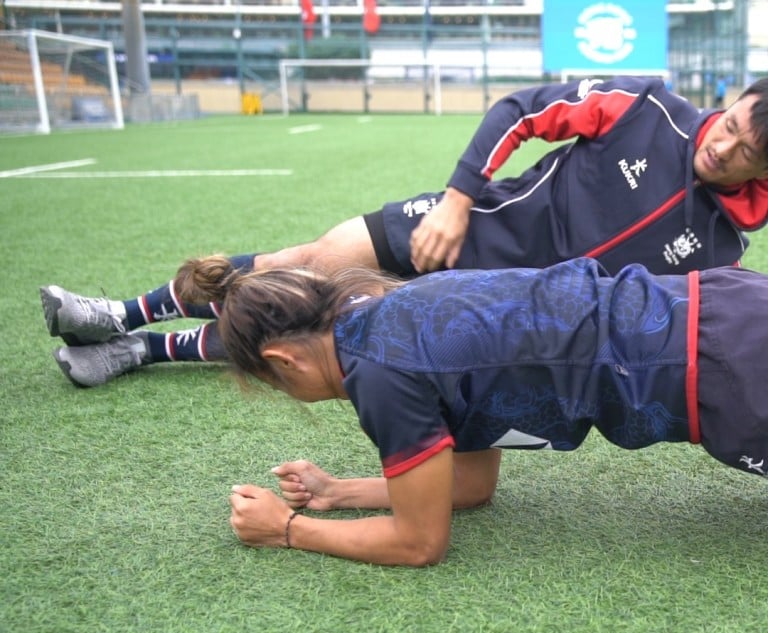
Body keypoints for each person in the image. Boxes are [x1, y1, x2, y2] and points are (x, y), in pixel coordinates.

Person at [42, 75, 768, 387]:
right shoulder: (649, 106)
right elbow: (521, 110)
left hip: (502, 311)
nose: (724, 145)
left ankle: (143, 350)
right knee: (316, 261)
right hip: (466, 226)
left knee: (319, 331)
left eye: (746, 151)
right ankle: (122, 312)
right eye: (732, 122)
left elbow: (645, 320)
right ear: (734, 101)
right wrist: (457, 199)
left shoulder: (725, 248)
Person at [176, 254, 768, 567]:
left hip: (725, 373)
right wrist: (336, 494)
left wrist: (287, 529)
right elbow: (471, 484)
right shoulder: (395, 306)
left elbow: (419, 543)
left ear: (285, 361)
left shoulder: (379, 373)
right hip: (717, 300)